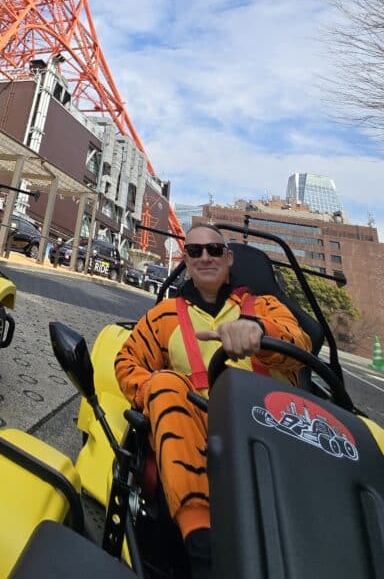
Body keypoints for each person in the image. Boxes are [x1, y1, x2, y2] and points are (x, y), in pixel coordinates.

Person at [114, 223, 311, 579]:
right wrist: (158, 400)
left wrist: (259, 332)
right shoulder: (163, 317)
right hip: (198, 437)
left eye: (215, 250)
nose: (205, 257)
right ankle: (203, 550)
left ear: (229, 258)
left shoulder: (267, 307)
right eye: (195, 251)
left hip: (278, 434)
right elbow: (127, 363)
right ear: (186, 262)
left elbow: (301, 345)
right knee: (163, 384)